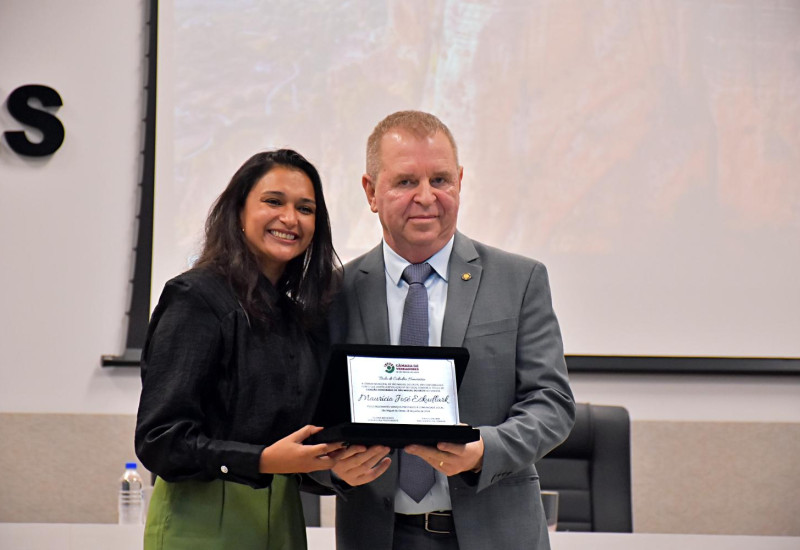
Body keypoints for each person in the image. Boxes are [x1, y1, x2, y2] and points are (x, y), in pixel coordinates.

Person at [322, 111, 575, 550]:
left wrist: (484, 450)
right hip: (376, 536)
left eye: (440, 180)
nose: (426, 197)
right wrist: (330, 467)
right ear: (371, 191)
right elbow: (307, 417)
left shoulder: (520, 280)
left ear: (460, 181)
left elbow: (551, 404)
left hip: (496, 535)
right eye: (405, 182)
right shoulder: (333, 293)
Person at [135, 149, 343, 550]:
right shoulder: (196, 297)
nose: (290, 218)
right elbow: (159, 440)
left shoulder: (295, 316)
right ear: (238, 212)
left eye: (305, 208)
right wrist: (263, 461)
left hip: (283, 520)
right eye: (273, 201)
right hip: (200, 522)